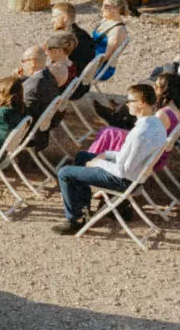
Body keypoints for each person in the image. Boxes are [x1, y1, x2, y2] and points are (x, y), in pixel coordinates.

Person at [53, 83, 168, 234]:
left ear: (141, 103)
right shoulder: (156, 123)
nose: (127, 104)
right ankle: (83, 209)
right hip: (134, 174)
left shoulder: (139, 133)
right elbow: (128, 157)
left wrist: (98, 162)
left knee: (65, 173)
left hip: (123, 180)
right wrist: (107, 155)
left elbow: (121, 170)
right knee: (82, 156)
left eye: (129, 101)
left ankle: (74, 220)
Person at [50, 3, 99, 74]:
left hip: (75, 79)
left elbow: (61, 63)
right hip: (85, 76)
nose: (52, 20)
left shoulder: (70, 39)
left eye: (55, 17)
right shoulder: (82, 32)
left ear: (65, 18)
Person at [15, 44, 59, 119]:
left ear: (33, 62)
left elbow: (23, 113)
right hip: (45, 121)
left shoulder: (32, 87)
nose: (22, 64)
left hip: (29, 124)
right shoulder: (49, 75)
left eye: (23, 61)